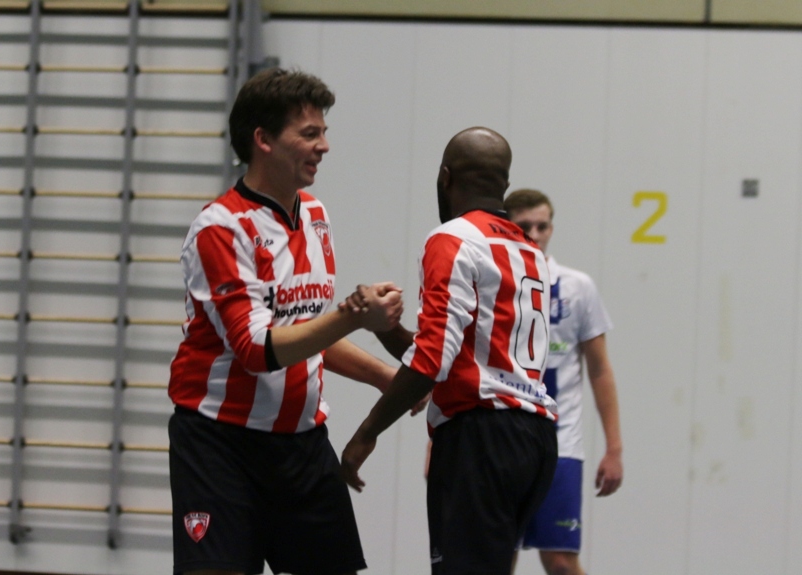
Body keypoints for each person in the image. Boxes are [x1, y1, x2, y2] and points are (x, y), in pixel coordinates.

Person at [168, 67, 415, 575]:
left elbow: (304, 331)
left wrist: (388, 378)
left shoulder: (315, 215)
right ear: (263, 140)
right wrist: (354, 315)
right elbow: (257, 349)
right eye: (309, 133)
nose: (324, 145)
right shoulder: (221, 227)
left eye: (324, 131)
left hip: (302, 442)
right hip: (220, 444)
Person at [340, 127, 559, 575]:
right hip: (534, 441)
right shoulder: (529, 251)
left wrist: (367, 432)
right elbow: (459, 353)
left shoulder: (452, 238)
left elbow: (432, 360)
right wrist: (384, 328)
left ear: (445, 177)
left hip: (481, 440)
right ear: (504, 184)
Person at [504, 189, 623, 575]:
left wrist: (614, 449)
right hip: (501, 442)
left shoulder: (577, 287)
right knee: (496, 559)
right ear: (507, 227)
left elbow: (600, 370)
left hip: (561, 445)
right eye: (525, 226)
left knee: (560, 561)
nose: (535, 234)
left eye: (543, 226)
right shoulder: (493, 284)